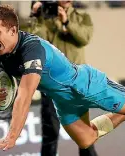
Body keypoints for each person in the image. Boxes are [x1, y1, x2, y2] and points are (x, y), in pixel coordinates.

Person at [0, 5, 125, 151]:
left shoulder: (32, 49)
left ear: (12, 31)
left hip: (85, 85)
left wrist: (12, 136)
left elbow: (25, 94)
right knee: (86, 140)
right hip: (63, 100)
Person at [29, 1, 96, 156]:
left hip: (76, 84)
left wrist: (66, 21)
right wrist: (36, 16)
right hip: (53, 85)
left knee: (85, 135)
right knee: (50, 135)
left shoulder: (82, 17)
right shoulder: (45, 18)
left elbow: (84, 38)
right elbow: (37, 43)